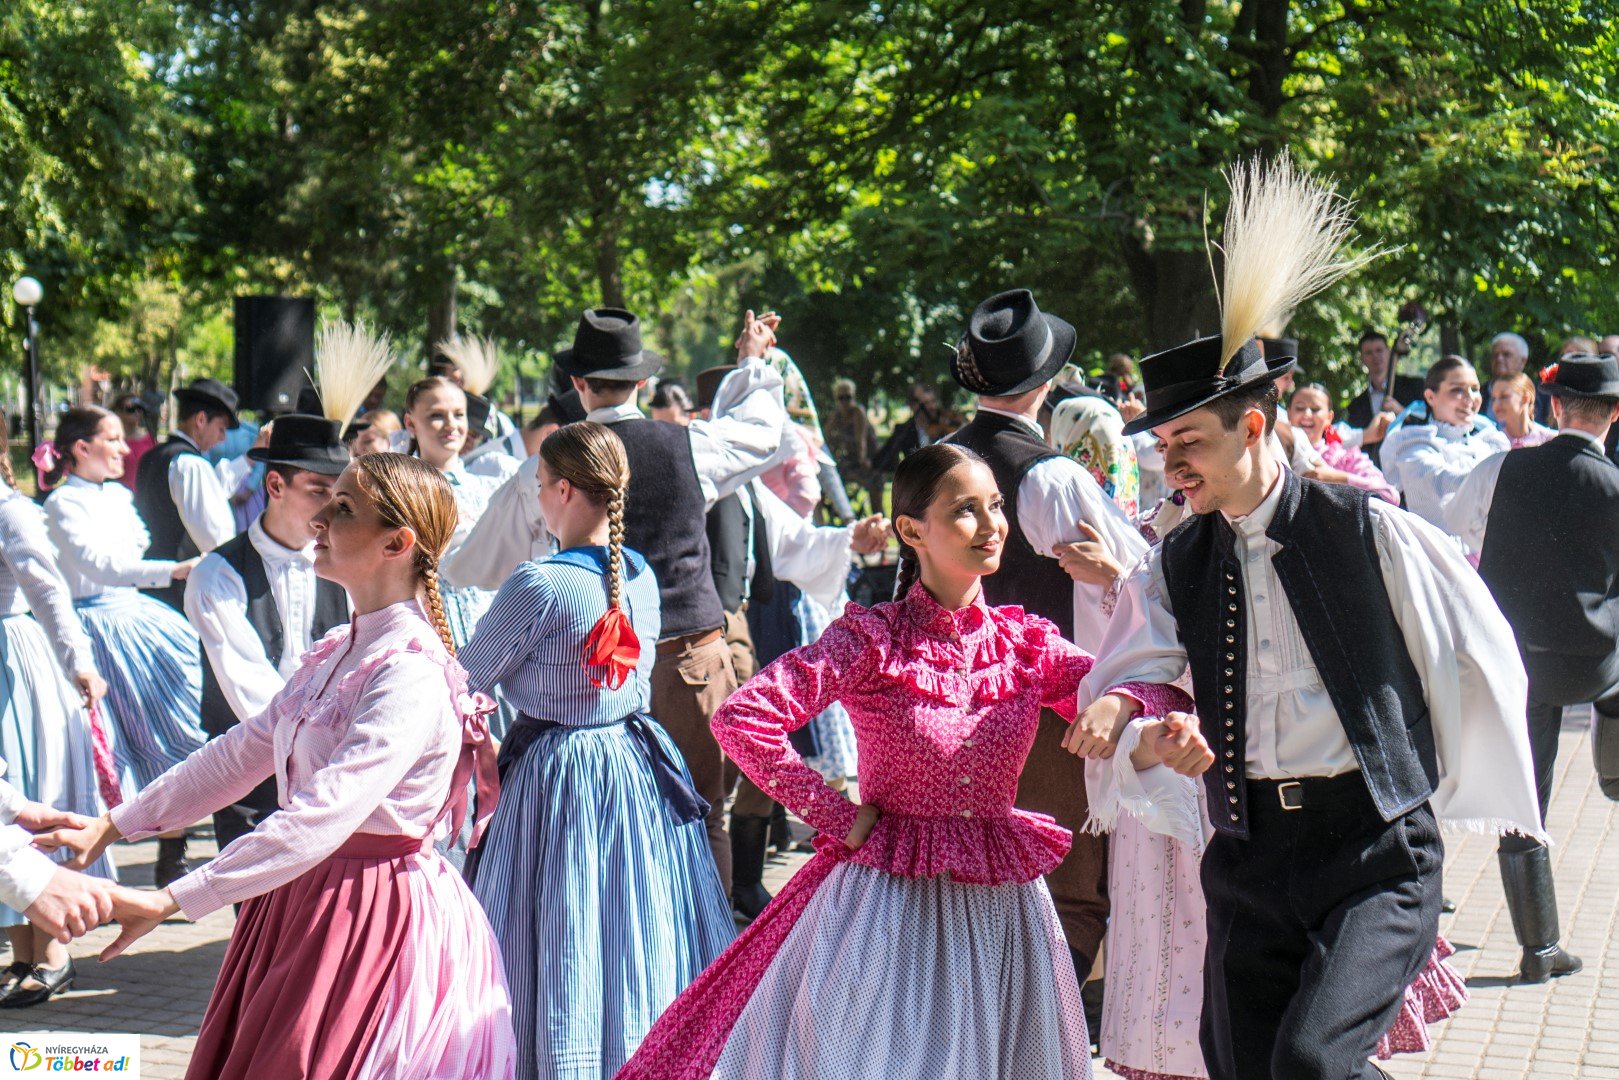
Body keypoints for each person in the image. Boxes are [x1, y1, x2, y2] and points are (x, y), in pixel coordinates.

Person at [1066, 155, 1544, 1080]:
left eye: (1188, 442)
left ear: (1253, 427)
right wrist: (1135, 721)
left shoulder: (1368, 529)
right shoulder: (1177, 560)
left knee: (1313, 1062)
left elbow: (1474, 650)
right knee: (1242, 1067)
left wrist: (1438, 783)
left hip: (1372, 851)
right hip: (1247, 851)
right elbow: (1139, 666)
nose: (1172, 464)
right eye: (1163, 445)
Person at [619, 443, 1190, 1080]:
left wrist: (1122, 704)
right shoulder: (873, 640)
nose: (992, 525)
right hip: (885, 911)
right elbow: (743, 718)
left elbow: (1157, 691)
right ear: (911, 531)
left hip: (1003, 913)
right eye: (965, 510)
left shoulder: (1022, 644)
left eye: (995, 506)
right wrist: (834, 813)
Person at [45, 453, 516, 1078]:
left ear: (396, 544)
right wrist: (115, 824)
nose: (320, 518)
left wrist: (173, 899)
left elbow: (324, 813)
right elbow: (241, 751)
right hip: (303, 891)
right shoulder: (343, 648)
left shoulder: (409, 672)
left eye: (343, 508)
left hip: (369, 912)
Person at [443, 308, 787, 893]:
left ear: (577, 383)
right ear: (643, 382)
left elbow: (473, 565)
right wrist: (752, 362)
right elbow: (760, 430)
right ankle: (707, 944)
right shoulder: (691, 445)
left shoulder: (542, 471)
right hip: (689, 664)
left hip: (588, 683)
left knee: (606, 835)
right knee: (702, 818)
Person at [460, 422, 733, 1078]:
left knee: (566, 924)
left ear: (562, 490)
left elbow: (465, 678)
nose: (537, 499)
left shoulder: (539, 584)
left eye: (538, 485)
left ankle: (564, 1056)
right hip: (632, 766)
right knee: (629, 922)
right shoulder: (637, 574)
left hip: (557, 776)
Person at [942, 288, 1150, 992]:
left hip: (948, 704)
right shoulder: (1050, 477)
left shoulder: (940, 462)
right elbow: (1136, 576)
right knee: (1068, 891)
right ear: (1046, 382)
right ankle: (1044, 1027)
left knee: (977, 885)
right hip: (1040, 713)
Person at [1447, 353, 1619, 982]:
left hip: (1515, 656)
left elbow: (1457, 526)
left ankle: (1539, 949)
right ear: (1614, 415)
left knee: (1527, 795)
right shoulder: (1615, 484)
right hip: (1597, 660)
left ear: (1555, 406)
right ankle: (1613, 772)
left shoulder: (1503, 466)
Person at [40, 407, 206, 887]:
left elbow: (132, 548)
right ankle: (91, 862)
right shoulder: (62, 503)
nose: (122, 448)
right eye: (112, 439)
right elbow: (99, 566)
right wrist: (173, 570)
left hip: (136, 617)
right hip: (93, 628)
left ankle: (173, 846)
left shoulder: (116, 494)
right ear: (82, 448)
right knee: (110, 744)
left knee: (177, 723)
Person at [183, 416, 351, 852]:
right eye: (318, 491)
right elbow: (248, 688)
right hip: (251, 775)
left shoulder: (349, 567)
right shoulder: (217, 575)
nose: (331, 511)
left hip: (333, 773)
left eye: (340, 496)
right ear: (275, 485)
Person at [0, 424, 117, 1007]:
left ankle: (52, 954)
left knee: (26, 796)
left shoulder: (12, 511)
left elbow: (48, 592)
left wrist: (79, 663)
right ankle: (21, 954)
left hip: (12, 664)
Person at [132, 378, 256, 610]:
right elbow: (215, 539)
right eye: (221, 429)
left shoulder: (153, 456)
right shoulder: (191, 465)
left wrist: (249, 458)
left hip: (148, 581)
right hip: (177, 591)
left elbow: (213, 489)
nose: (222, 438)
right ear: (201, 420)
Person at [401, 375, 505, 649]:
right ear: (410, 423)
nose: (451, 425)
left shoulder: (487, 487)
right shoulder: (399, 489)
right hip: (426, 635)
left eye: (459, 414)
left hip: (488, 635)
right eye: (437, 415)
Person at [1379, 355, 1509, 557]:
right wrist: (1501, 478)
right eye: (1457, 390)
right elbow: (1441, 481)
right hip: (1437, 560)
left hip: (1489, 558)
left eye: (1475, 389)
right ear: (1431, 397)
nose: (1470, 398)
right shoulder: (1413, 444)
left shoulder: (1488, 442)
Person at [1286, 384, 1399, 503]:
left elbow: (1390, 496)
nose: (1307, 414)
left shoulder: (1344, 459)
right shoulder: (1275, 451)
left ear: (1329, 417)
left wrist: (1336, 477)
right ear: (1288, 414)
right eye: (1300, 408)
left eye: (1315, 409)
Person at [1343, 330, 1426, 467]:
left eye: (1379, 350)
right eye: (1369, 353)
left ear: (1389, 352)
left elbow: (1430, 423)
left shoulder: (1415, 386)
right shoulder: (1356, 405)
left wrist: (1401, 412)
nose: (1375, 356)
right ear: (1362, 359)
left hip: (1410, 463)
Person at [1483, 332, 1552, 426]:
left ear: (1523, 361)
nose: (1499, 359)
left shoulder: (1542, 395)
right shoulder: (1479, 393)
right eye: (1495, 355)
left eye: (1506, 354)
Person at [1489, 372, 1557, 448]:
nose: (1496, 404)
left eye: (1504, 396)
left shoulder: (1551, 440)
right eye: (1493, 399)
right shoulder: (1492, 443)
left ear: (1525, 398)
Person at [110, 394, 154, 493]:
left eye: (139, 408)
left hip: (143, 494)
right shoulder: (111, 439)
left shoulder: (149, 438)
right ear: (119, 412)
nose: (136, 412)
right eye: (131, 409)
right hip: (118, 494)